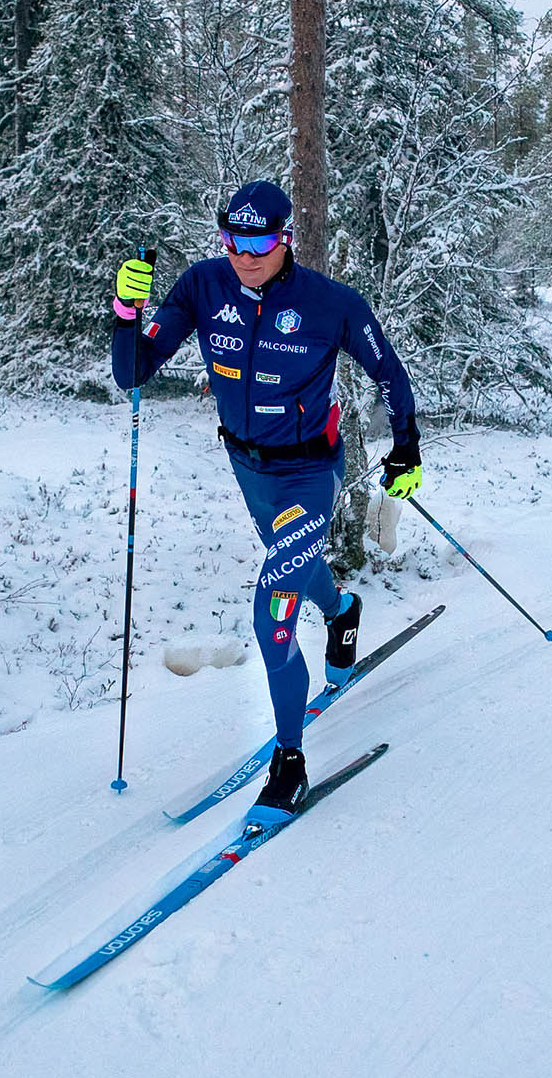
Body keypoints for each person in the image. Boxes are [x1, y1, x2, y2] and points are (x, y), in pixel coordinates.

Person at [111, 180, 424, 813]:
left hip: (309, 472)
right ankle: (341, 610)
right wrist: (124, 312)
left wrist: (406, 447)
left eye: (259, 240)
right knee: (299, 569)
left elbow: (389, 371)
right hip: (247, 467)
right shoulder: (204, 286)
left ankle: (289, 759)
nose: (245, 254)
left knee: (272, 609)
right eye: (234, 239)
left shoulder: (330, 303)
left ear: (286, 238)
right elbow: (133, 373)